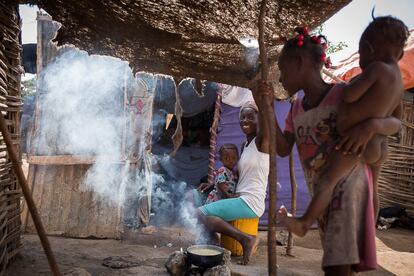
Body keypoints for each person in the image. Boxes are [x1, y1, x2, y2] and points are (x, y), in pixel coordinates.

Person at [260, 24, 401, 275]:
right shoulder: (296, 108)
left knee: (337, 267)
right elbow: (281, 149)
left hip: (349, 189)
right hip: (324, 197)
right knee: (337, 266)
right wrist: (267, 108)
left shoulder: (343, 94)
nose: (280, 78)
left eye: (282, 69)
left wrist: (372, 125)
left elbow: (395, 118)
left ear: (301, 62)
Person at [280, 16, 408, 238]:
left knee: (328, 179)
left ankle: (304, 222)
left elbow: (349, 95)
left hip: (355, 143)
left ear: (368, 49)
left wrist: (364, 113)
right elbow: (397, 122)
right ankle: (368, 230)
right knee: (373, 191)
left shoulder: (376, 70)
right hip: (378, 144)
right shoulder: (398, 83)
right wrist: (376, 123)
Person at [197, 99, 271, 265]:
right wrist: (214, 183)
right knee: (199, 206)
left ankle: (246, 239)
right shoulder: (245, 145)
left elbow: (267, 116)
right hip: (239, 197)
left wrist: (259, 93)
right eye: (242, 117)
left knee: (201, 214)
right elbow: (234, 175)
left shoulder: (262, 141)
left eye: (250, 117)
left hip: (250, 201)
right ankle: (215, 246)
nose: (245, 120)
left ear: (260, 119)